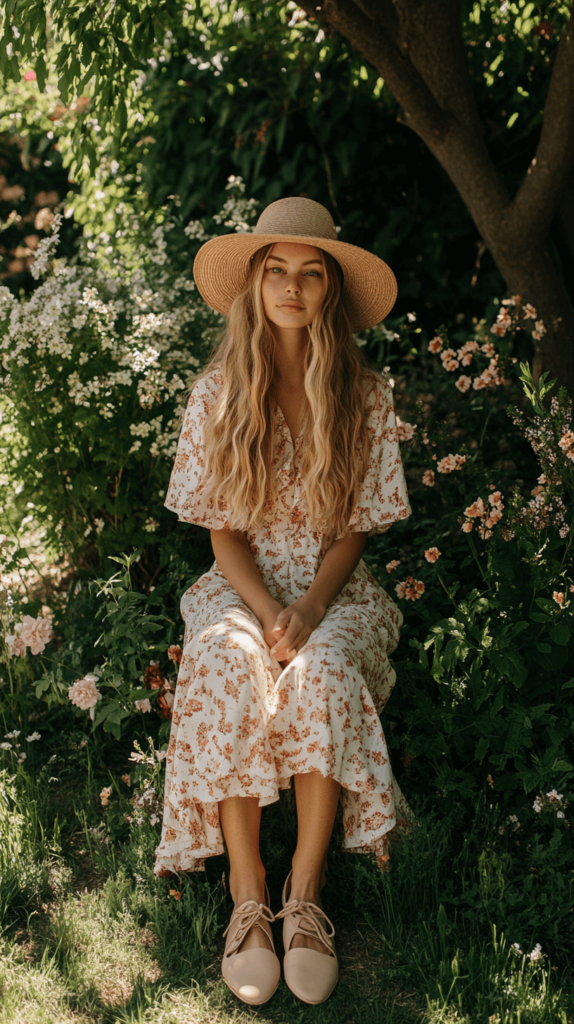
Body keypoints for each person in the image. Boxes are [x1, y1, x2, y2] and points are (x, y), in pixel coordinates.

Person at [154, 196, 411, 1007]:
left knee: (323, 670)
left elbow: (356, 533)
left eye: (309, 274)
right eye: (276, 271)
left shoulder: (365, 395)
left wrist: (308, 614)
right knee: (227, 664)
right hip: (241, 585)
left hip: (337, 591)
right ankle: (248, 896)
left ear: (329, 290)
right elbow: (223, 535)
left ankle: (305, 897)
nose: (292, 287)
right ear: (254, 285)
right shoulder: (218, 393)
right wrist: (269, 612)